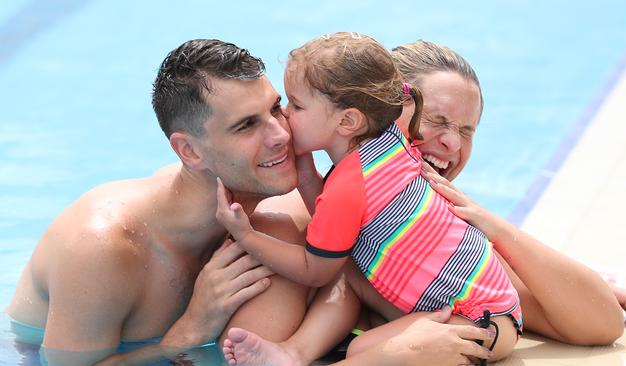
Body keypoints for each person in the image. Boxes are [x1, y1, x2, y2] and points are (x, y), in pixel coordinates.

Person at [6, 38, 494, 366]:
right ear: (189, 151)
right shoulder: (103, 247)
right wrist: (189, 329)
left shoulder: (282, 221)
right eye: (246, 126)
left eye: (277, 108)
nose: (280, 134)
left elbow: (357, 276)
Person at [218, 39, 626, 366]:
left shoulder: (422, 216)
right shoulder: (298, 219)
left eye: (467, 130)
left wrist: (496, 231)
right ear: (388, 111)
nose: (450, 142)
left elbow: (599, 322)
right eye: (437, 120)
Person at [217, 32, 522, 364]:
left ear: (348, 120)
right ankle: (291, 354)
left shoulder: (350, 186)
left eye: (297, 105)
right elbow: (337, 229)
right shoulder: (388, 141)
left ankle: (292, 355)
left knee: (364, 350)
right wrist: (305, 172)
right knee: (347, 268)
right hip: (487, 307)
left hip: (481, 324)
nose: (285, 116)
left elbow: (314, 270)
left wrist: (247, 236)